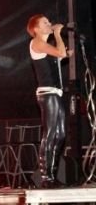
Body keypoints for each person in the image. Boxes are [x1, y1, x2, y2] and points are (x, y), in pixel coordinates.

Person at [27, 14, 73, 188]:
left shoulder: (46, 47)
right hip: (47, 94)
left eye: (48, 22)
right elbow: (60, 52)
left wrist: (65, 53)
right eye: (45, 22)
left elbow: (61, 54)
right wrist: (58, 34)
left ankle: (52, 175)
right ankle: (46, 177)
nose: (49, 24)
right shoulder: (36, 42)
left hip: (56, 93)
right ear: (36, 29)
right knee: (50, 134)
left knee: (60, 134)